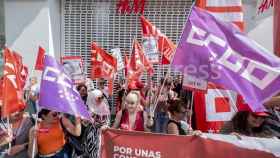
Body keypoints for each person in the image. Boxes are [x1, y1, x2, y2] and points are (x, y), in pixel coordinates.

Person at [81, 89, 110, 158]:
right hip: (90, 134)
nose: (101, 100)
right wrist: (91, 115)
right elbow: (84, 124)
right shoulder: (88, 108)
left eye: (102, 97)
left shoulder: (105, 108)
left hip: (101, 135)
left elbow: (108, 122)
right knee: (89, 152)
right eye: (98, 98)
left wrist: (106, 126)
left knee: (97, 154)